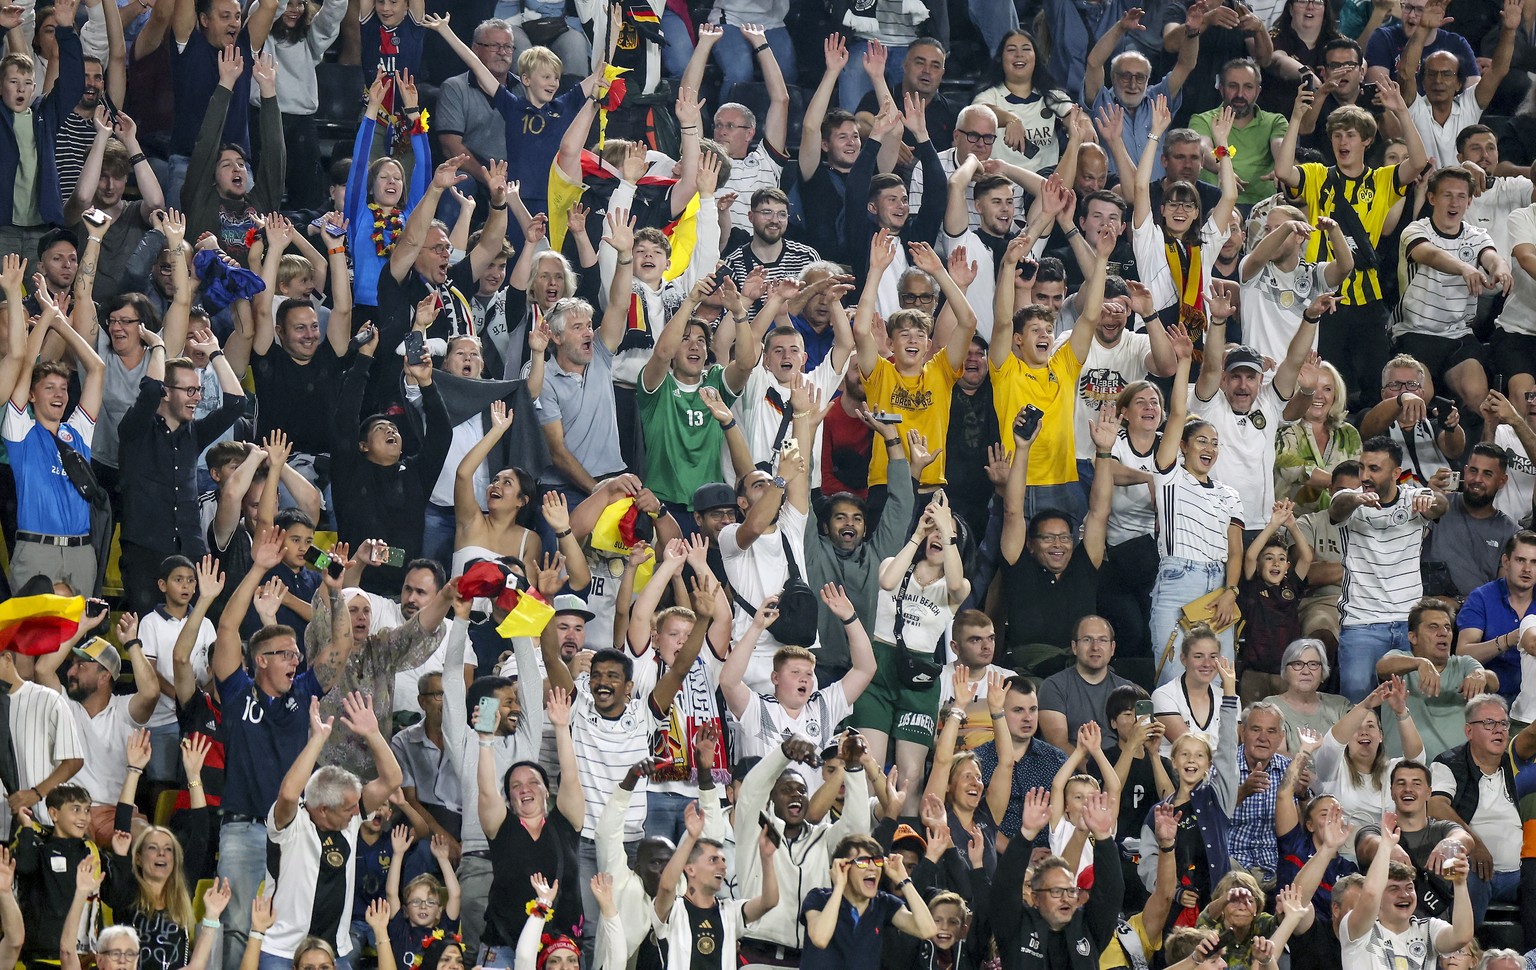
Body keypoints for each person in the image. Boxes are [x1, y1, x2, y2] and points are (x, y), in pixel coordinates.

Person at [1271, 81, 1429, 410]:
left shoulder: (1382, 180)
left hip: (1367, 296)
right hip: (1322, 295)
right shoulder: (1316, 175)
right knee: (1326, 381)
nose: (1343, 142)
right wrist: (1297, 118)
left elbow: (1418, 161)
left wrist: (1400, 109)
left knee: (1374, 380)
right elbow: (1284, 170)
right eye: (1338, 135)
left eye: (1351, 135)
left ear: (1367, 140)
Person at [848, 491, 969, 816]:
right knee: (868, 768)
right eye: (933, 530)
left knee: (911, 777)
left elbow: (957, 585)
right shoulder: (895, 565)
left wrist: (947, 530)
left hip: (919, 678)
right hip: (878, 668)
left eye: (945, 534)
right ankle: (866, 841)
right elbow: (887, 581)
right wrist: (918, 533)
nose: (937, 537)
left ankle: (908, 850)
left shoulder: (955, 589)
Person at [260, 693, 403, 968]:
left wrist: (373, 734)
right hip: (282, 950)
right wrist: (317, 740)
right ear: (323, 809)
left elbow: (393, 779)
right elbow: (289, 793)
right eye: (348, 808)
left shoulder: (349, 819)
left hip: (334, 952)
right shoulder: (292, 823)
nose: (356, 813)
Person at [1146, 327, 1243, 680]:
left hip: (1219, 588)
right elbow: (1175, 415)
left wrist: (1231, 591)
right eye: (1201, 440)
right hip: (1178, 580)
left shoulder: (1229, 494)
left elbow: (1235, 552)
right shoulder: (1169, 476)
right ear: (1183, 446)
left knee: (1221, 682)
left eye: (1215, 443)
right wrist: (1185, 361)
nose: (1210, 448)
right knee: (1173, 677)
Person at [3, 274, 104, 594]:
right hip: (36, 551)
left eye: (63, 388)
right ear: (32, 396)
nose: (59, 394)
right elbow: (25, 368)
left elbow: (97, 368)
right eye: (49, 388)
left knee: (81, 639)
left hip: (81, 552)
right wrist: (45, 320)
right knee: (30, 642)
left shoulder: (78, 433)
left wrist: (60, 323)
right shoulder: (21, 433)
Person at [1332, 435, 1448, 700]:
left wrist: (1431, 503)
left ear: (1396, 473)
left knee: (1418, 701)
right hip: (1362, 622)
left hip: (1410, 624)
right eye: (1362, 467)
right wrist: (1356, 500)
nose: (1364, 476)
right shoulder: (1349, 500)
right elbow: (1338, 507)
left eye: (1374, 469)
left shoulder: (1413, 498)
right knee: (1356, 698)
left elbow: (1442, 505)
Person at [1136, 656, 1239, 911]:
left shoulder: (1217, 798)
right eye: (1184, 754)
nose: (1192, 760)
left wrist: (1229, 692)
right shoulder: (1158, 813)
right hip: (1176, 913)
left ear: (1208, 764)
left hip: (1217, 909)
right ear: (1173, 761)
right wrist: (1177, 892)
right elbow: (1147, 865)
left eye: (1199, 755)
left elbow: (1227, 748)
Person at [992, 787, 1123, 970]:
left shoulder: (1089, 927)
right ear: (1035, 898)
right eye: (1055, 891)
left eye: (1070, 890)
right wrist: (1026, 835)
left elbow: (1110, 893)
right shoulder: (1015, 927)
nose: (1065, 898)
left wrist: (1103, 836)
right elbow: (1004, 887)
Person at [1339, 807, 1473, 969]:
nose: (1405, 894)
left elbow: (1461, 936)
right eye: (1394, 889)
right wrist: (1386, 847)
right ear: (1380, 896)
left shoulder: (1428, 929)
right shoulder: (1359, 929)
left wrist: (1460, 883)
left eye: (1409, 887)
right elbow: (1370, 894)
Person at [652, 802, 779, 970]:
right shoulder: (675, 910)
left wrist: (767, 858)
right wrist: (691, 838)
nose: (723, 867)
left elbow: (769, 901)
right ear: (690, 869)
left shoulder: (730, 911)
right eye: (714, 860)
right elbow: (667, 887)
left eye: (724, 861)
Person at [1429, 694, 1522, 921]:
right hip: (1472, 870)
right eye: (1489, 723)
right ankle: (1462, 950)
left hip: (1520, 875)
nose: (1498, 729)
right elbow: (1436, 806)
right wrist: (1476, 845)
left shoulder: (1515, 765)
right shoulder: (1448, 763)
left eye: (1503, 723)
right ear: (1469, 731)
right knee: (1461, 872)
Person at [799, 833, 938, 969]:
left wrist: (904, 881)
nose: (873, 868)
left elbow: (927, 930)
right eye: (863, 862)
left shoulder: (884, 903)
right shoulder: (819, 898)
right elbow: (820, 939)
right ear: (843, 866)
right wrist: (839, 887)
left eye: (877, 861)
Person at [1379, 598, 1494, 761]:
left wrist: (1482, 675)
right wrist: (1419, 663)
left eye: (1447, 627)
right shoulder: (1401, 661)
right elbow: (1382, 667)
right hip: (1405, 775)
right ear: (1413, 637)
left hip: (1456, 775)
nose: (1443, 633)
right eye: (1433, 627)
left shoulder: (1463, 664)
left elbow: (1494, 683)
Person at [976, 677, 1067, 844]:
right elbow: (972, 821)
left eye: (1033, 709)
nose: (1028, 718)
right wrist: (1020, 853)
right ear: (999, 712)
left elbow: (1071, 816)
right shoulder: (977, 762)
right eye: (1018, 710)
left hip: (1049, 857)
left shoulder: (1057, 760)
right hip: (995, 858)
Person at [1459, 531, 1536, 720]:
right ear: (1506, 561)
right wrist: (1509, 639)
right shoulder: (1482, 598)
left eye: (1534, 562)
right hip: (1492, 699)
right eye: (1520, 560)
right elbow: (1463, 653)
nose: (1527, 569)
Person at [1423, 446, 1518, 598]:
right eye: (1473, 471)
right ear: (1465, 471)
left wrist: (1459, 602)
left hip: (1477, 614)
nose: (1477, 479)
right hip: (1425, 607)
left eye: (1487, 474)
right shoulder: (1439, 506)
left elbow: (1503, 593)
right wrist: (1425, 502)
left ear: (1502, 481)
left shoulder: (1510, 532)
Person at [1037, 616, 1136, 751]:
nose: (1095, 647)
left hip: (1119, 768)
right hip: (1073, 769)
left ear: (1112, 648)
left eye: (1102, 640)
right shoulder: (1053, 687)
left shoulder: (1129, 690)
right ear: (1074, 647)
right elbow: (1058, 745)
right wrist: (1097, 771)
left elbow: (1137, 741)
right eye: (1087, 640)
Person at [1275, 359, 1361, 513]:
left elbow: (1359, 476)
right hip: (1289, 524)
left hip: (1341, 523)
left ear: (1336, 394)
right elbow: (1291, 469)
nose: (1319, 395)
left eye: (1327, 389)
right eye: (1312, 387)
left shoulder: (1349, 434)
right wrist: (1338, 483)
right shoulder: (1283, 429)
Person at [1264, 638, 1354, 754]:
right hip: (1293, 771)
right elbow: (1278, 757)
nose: (1306, 671)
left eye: (1313, 664)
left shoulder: (1340, 706)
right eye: (1298, 664)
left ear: (1322, 671)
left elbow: (1355, 753)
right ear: (1285, 671)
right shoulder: (1272, 706)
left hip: (1337, 772)